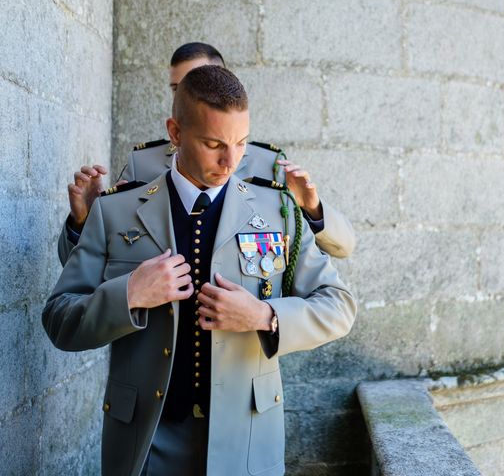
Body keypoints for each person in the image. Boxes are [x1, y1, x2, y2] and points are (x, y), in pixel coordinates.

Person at [42, 65, 356, 476]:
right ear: (175, 133)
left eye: (241, 143)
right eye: (214, 144)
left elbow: (339, 306)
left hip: (245, 440)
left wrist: (265, 316)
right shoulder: (114, 211)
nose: (231, 161)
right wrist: (129, 294)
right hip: (145, 441)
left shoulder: (279, 212)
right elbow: (60, 317)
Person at [58, 42, 356, 265]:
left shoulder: (269, 165)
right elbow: (83, 269)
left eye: (195, 81)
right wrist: (84, 221)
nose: (183, 94)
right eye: (176, 87)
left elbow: (343, 247)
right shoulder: (143, 163)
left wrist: (312, 211)